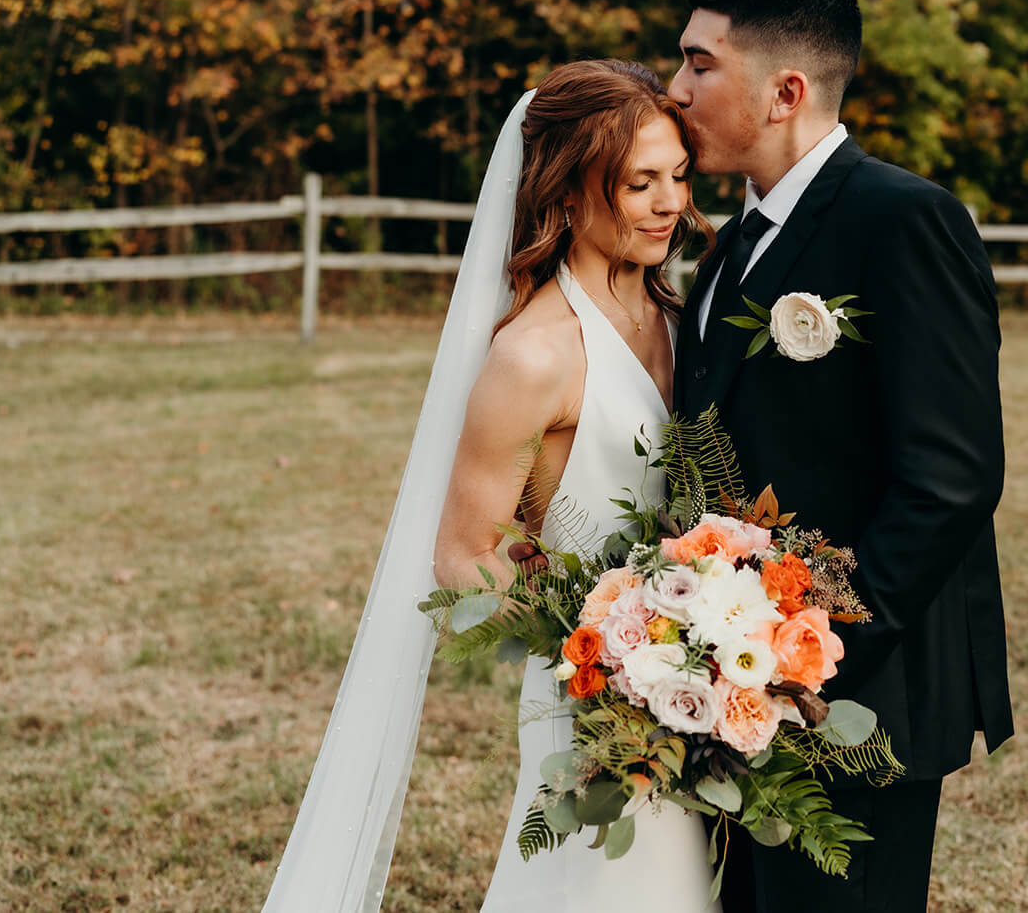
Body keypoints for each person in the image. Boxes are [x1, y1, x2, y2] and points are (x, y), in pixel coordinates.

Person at [260, 60, 719, 912]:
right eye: (640, 182)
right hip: (595, 697)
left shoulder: (674, 313)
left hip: (698, 689)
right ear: (567, 191)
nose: (671, 203)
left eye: (680, 176)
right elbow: (464, 554)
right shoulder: (534, 354)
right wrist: (613, 648)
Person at [668, 0, 1012, 913]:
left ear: (783, 91)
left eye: (700, 65)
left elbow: (951, 477)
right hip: (734, 682)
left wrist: (813, 651)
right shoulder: (729, 246)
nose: (675, 87)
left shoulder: (903, 221)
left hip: (863, 690)